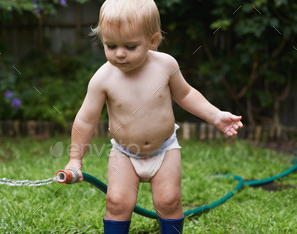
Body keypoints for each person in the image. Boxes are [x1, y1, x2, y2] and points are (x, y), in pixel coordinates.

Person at [63, 0, 243, 233]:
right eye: (110, 45)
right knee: (117, 202)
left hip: (164, 150)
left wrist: (216, 115)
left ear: (152, 40)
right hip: (125, 153)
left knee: (168, 201)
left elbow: (186, 94)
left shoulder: (165, 66)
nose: (119, 54)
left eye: (130, 46)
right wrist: (76, 159)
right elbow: (85, 120)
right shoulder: (102, 78)